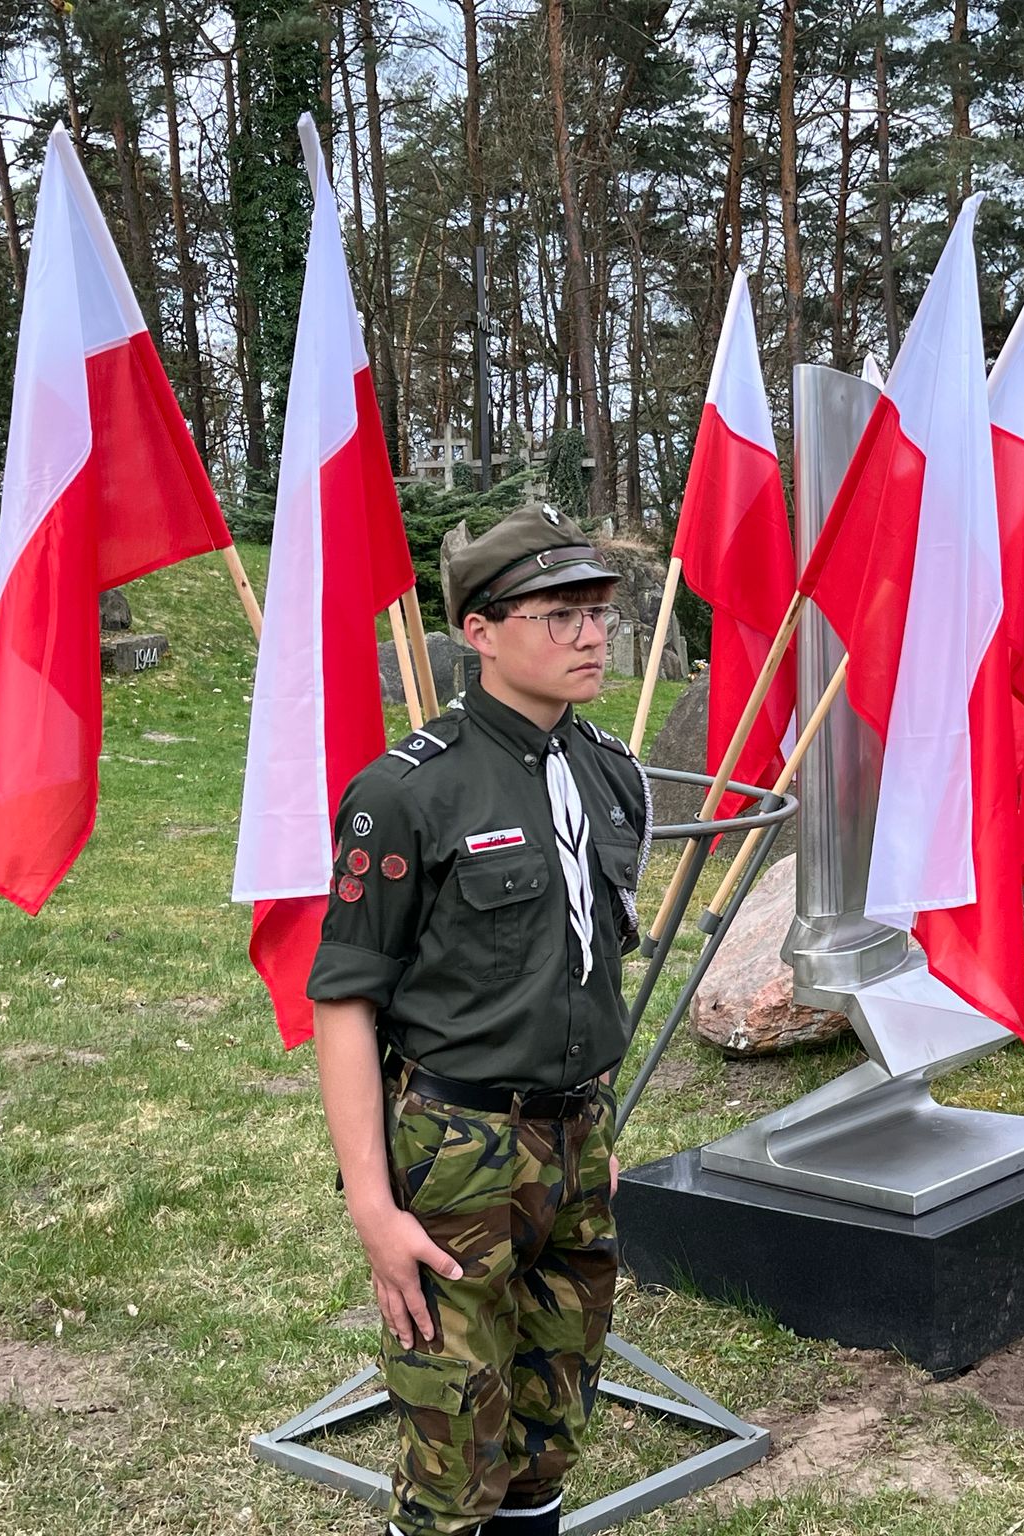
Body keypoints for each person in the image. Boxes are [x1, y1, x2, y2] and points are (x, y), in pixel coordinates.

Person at [308, 505, 651, 1535]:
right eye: (559, 615)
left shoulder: (610, 773)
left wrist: (591, 1132)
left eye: (598, 612)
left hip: (576, 1142)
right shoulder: (409, 794)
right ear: (480, 630)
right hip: (459, 1151)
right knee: (455, 1455)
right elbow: (344, 1002)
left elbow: (590, 968)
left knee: (549, 1433)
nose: (591, 636)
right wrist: (375, 1209)